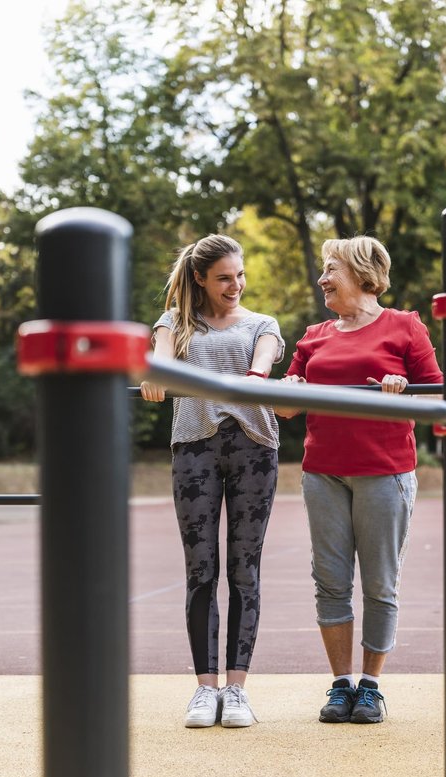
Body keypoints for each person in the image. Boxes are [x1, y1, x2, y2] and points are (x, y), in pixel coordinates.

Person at [277, 235, 442, 724]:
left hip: (384, 472)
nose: (322, 278)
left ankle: (370, 686)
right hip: (322, 472)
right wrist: (288, 386)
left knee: (379, 584)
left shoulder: (405, 327)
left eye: (332, 269)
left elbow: (436, 401)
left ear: (364, 275)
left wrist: (403, 391)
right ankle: (340, 685)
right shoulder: (314, 335)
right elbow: (286, 409)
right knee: (329, 583)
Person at [140, 235, 284, 729]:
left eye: (240, 276)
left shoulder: (262, 324)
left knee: (245, 570)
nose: (236, 285)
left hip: (254, 448)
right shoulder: (175, 322)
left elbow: (262, 361)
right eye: (224, 277)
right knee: (201, 570)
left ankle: (236, 690)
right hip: (194, 449)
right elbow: (159, 358)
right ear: (200, 278)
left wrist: (257, 377)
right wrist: (154, 375)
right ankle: (204, 690)